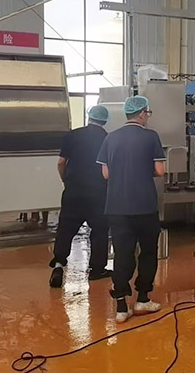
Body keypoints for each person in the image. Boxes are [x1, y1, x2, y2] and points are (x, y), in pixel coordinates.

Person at [97, 96, 166, 323]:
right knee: (148, 252)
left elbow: (106, 174)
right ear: (143, 113)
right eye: (148, 113)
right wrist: (143, 171)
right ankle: (142, 299)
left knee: (122, 253)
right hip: (144, 206)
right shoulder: (151, 136)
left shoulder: (110, 138)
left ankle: (121, 307)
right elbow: (160, 171)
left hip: (116, 207)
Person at [49, 105, 112, 288]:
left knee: (65, 229)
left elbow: (61, 163)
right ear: (105, 120)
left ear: (88, 116)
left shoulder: (72, 135)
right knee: (100, 230)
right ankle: (97, 269)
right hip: (98, 193)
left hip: (73, 191)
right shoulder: (108, 139)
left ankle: (58, 265)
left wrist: (66, 181)